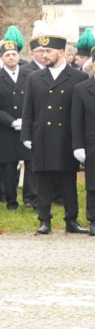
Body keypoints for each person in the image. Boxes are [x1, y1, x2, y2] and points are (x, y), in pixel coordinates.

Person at [22, 33, 87, 235]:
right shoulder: (34, 77)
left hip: (66, 136)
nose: (44, 55)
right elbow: (28, 109)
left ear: (61, 52)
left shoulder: (78, 77)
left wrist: (80, 142)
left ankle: (71, 220)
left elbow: (81, 113)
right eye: (41, 51)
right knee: (43, 181)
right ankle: (44, 220)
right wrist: (26, 135)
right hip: (42, 135)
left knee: (68, 180)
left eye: (48, 51)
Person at [0, 39, 30, 212]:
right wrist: (12, 122)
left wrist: (25, 121)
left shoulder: (30, 75)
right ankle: (11, 201)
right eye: (7, 55)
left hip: (26, 128)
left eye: (14, 54)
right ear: (1, 58)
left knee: (31, 163)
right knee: (8, 167)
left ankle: (30, 198)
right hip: (6, 129)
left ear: (18, 56)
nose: (11, 57)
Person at [72, 65, 95, 234]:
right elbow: (77, 119)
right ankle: (93, 219)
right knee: (93, 183)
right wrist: (78, 145)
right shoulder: (82, 89)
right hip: (92, 142)